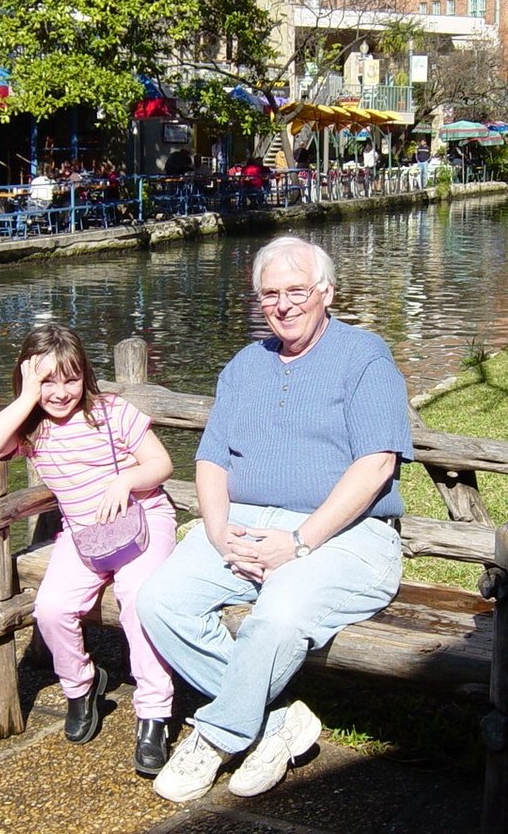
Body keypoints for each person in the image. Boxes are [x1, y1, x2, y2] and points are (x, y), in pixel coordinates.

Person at [138, 236, 412, 804]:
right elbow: (212, 459)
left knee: (278, 615)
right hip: (242, 522)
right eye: (270, 295)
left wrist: (300, 542)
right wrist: (217, 532)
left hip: (347, 534)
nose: (283, 305)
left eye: (296, 291)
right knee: (159, 599)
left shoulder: (364, 356)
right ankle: (277, 723)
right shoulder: (245, 365)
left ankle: (216, 737)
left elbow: (376, 463)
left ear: (326, 293)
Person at [0, 323, 177, 774]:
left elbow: (161, 463)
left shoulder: (111, 412)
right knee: (51, 608)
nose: (61, 392)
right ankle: (81, 688)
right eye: (47, 381)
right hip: (83, 534)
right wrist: (27, 399)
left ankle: (154, 713)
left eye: (71, 378)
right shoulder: (32, 429)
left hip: (142, 522)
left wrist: (126, 479)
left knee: (138, 603)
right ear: (28, 379)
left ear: (86, 376)